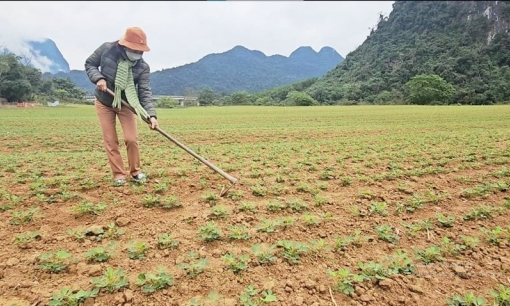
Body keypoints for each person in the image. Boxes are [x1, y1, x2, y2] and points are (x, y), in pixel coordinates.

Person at [85, 26, 159, 186]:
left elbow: (144, 92)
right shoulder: (106, 50)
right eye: (135, 50)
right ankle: (119, 175)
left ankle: (136, 172)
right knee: (111, 140)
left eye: (141, 51)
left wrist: (151, 115)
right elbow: (90, 64)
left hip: (127, 104)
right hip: (104, 102)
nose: (138, 54)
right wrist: (98, 78)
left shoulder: (142, 67)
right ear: (124, 45)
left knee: (131, 139)